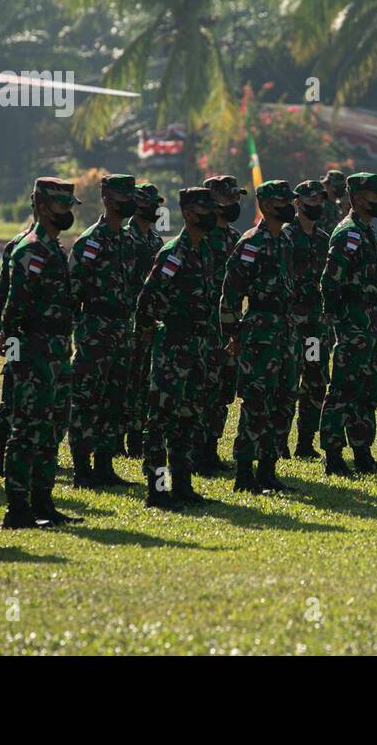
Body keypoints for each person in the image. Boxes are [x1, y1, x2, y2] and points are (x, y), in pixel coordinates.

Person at [0, 178, 83, 528]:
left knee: (52, 429)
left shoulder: (53, 248)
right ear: (44, 207)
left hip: (58, 352)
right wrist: (18, 359)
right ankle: (17, 508)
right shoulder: (30, 250)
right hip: (33, 353)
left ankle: (43, 502)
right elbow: (13, 312)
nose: (68, 213)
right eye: (63, 206)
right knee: (27, 429)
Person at [135, 187, 221, 508]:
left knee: (189, 420)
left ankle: (183, 486)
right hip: (173, 346)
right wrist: (150, 337)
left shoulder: (205, 251)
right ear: (187, 213)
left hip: (198, 348)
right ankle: (158, 490)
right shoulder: (174, 253)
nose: (212, 214)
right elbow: (147, 301)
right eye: (205, 209)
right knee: (161, 422)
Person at [221, 180, 297, 493]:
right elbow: (231, 293)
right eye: (282, 201)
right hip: (260, 331)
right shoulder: (251, 243)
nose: (289, 206)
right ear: (265, 206)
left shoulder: (286, 241)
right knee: (256, 403)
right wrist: (233, 333)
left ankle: (268, 471)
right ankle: (243, 474)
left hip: (285, 330)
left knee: (282, 403)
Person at [319, 173, 377, 475]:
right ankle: (334, 455)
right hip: (354, 325)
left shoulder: (364, 230)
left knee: (367, 390)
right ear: (360, 198)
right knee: (343, 390)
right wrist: (341, 320)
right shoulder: (348, 233)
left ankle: (362, 451)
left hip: (371, 325)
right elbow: (330, 281)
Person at [68, 173, 139, 488]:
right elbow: (73, 291)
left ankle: (105, 466)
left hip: (123, 328)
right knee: (87, 400)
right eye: (124, 196)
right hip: (96, 328)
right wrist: (76, 334)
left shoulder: (127, 240)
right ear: (108, 199)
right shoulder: (91, 241)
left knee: (114, 400)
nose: (130, 202)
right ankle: (82, 469)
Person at [199, 174, 248, 474]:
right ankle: (195, 452)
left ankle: (210, 448)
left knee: (222, 391)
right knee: (202, 391)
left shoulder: (233, 238)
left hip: (227, 325)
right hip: (203, 327)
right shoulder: (200, 238)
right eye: (228, 198)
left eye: (235, 198)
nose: (233, 204)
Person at [286, 180, 332, 459]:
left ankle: (305, 441)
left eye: (320, 201)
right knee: (287, 380)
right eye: (311, 200)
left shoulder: (323, 238)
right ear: (298, 203)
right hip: (290, 322)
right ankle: (279, 442)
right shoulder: (286, 236)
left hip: (314, 326)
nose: (317, 205)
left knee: (314, 379)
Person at [0, 204, 35, 476]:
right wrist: (4, 333)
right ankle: (1, 458)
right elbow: (5, 295)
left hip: (39, 338)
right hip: (18, 335)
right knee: (12, 395)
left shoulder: (53, 247)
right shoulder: (18, 246)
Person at [121, 183, 165, 456]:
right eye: (149, 203)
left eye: (156, 203)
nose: (155, 208)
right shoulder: (127, 239)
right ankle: (117, 439)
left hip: (150, 321)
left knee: (145, 382)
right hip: (128, 322)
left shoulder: (156, 241)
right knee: (127, 382)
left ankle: (137, 436)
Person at [317, 169, 349, 237]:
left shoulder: (337, 205)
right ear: (328, 186)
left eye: (343, 186)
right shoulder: (320, 205)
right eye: (338, 186)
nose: (342, 189)